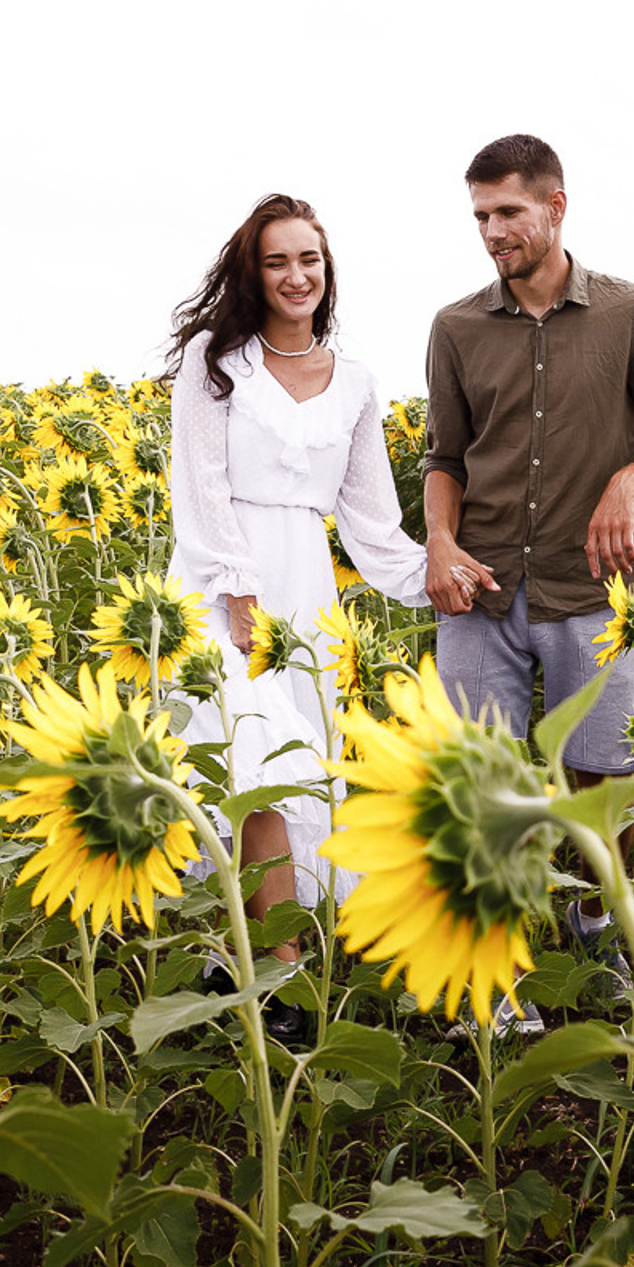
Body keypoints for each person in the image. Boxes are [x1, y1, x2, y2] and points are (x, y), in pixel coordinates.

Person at [422, 134, 634, 1024]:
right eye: (480, 216)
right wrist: (438, 541)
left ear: (556, 206)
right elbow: (444, 456)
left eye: (508, 213)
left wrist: (629, 480)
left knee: (600, 781)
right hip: (478, 592)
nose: (492, 233)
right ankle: (494, 979)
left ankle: (598, 943)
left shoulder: (633, 314)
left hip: (594, 591)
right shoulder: (456, 327)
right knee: (485, 789)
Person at [165, 194, 430, 1028]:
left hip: (307, 588)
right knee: (248, 763)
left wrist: (440, 581)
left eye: (308, 259)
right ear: (254, 272)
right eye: (277, 261)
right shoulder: (216, 361)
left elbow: (369, 519)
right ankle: (280, 975)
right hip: (220, 582)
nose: (295, 276)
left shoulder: (353, 383)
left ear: (328, 269)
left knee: (281, 768)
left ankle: (234, 959)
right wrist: (236, 595)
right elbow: (201, 484)